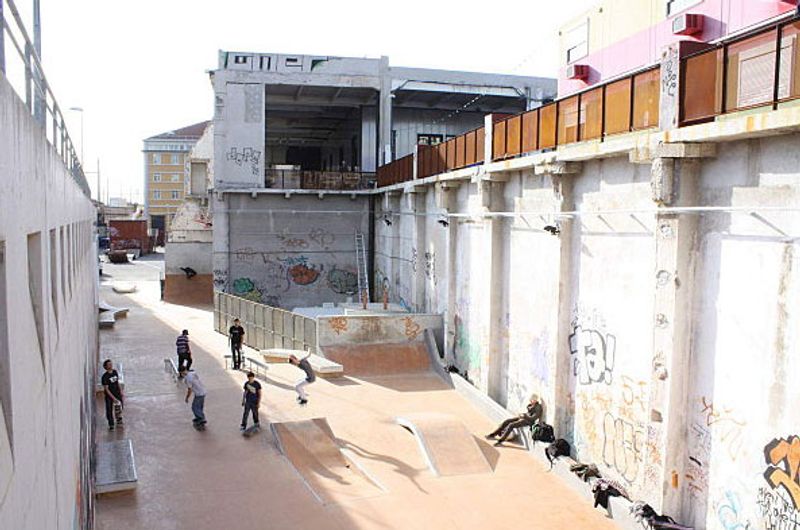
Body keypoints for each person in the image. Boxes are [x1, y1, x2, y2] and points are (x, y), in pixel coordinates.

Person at [101, 359, 124, 430]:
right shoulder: (104, 377)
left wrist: (121, 391)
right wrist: (113, 398)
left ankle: (119, 420)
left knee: (120, 407)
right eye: (109, 364)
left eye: (111, 364)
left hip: (117, 393)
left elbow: (117, 383)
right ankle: (111, 424)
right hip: (109, 396)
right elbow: (106, 389)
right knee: (109, 410)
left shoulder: (115, 372)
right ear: (105, 366)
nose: (111, 365)